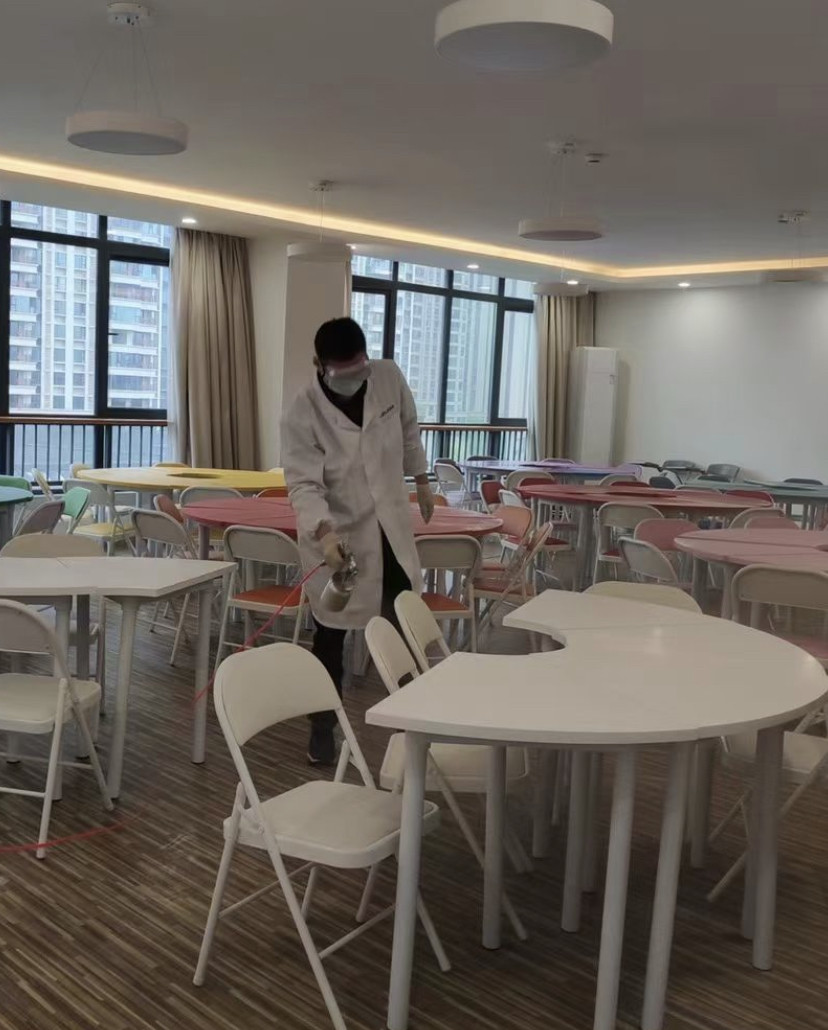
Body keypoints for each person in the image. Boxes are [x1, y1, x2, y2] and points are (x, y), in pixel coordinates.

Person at [282, 317, 435, 764]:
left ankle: (414, 722)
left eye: (359, 370)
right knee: (330, 634)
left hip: (390, 528)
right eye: (342, 373)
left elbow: (408, 426)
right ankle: (322, 726)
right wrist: (325, 533)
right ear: (319, 365)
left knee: (403, 622)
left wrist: (421, 478)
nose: (354, 380)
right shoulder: (302, 411)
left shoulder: (387, 377)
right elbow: (303, 484)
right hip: (340, 535)